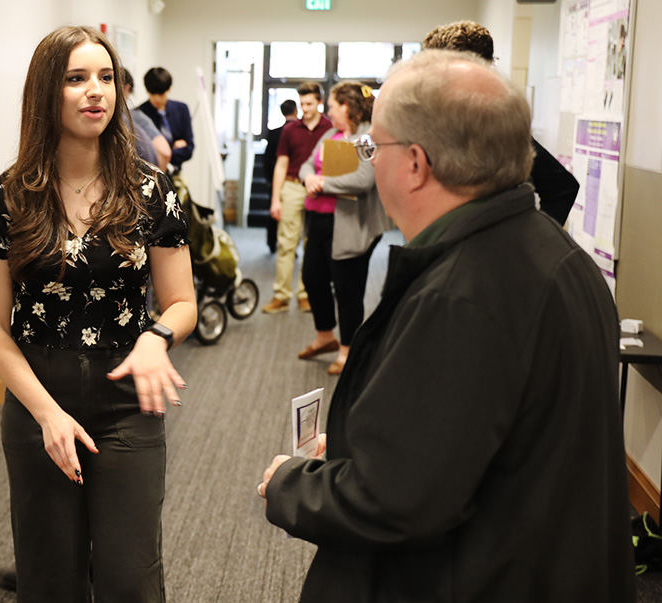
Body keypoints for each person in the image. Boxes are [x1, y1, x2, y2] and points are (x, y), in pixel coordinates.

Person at [258, 49, 634, 602]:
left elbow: (394, 502)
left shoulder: (461, 295)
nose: (368, 158)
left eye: (372, 147)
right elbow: (467, 432)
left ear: (414, 163)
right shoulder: (554, 251)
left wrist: (289, 485)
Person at [0, 25, 196, 602]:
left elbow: (182, 302)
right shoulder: (5, 199)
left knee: (130, 576)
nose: (96, 91)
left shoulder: (151, 190)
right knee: (49, 579)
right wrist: (45, 413)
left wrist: (157, 337)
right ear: (47, 92)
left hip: (127, 402)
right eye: (75, 79)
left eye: (104, 78)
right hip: (37, 400)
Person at [422, 20, 580, 226]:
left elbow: (562, 186)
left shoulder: (494, 123)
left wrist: (536, 242)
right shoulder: (503, 120)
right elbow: (562, 185)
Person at [296, 81, 391, 375]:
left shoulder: (365, 138)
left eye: (333, 106)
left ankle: (347, 350)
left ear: (346, 107)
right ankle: (325, 336)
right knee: (312, 278)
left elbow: (364, 180)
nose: (329, 111)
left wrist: (322, 182)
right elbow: (306, 165)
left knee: (348, 290)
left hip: (350, 226)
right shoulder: (330, 134)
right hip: (319, 221)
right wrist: (310, 177)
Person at [264, 82, 332, 314]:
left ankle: (306, 294)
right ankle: (281, 295)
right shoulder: (290, 130)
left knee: (311, 244)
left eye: (310, 103)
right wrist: (276, 199)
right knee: (286, 244)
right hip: (292, 187)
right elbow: (281, 164)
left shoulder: (330, 129)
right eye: (302, 103)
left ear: (320, 103)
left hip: (319, 190)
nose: (305, 108)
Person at [137, 67, 194, 175]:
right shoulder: (140, 114)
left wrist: (160, 152)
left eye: (161, 94)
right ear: (147, 90)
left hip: (175, 174)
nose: (157, 99)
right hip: (149, 175)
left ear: (169, 89)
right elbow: (142, 153)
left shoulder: (182, 109)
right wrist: (172, 150)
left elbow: (189, 150)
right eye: (153, 94)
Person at [259, 99, 298, 253]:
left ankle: (271, 242)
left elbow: (267, 158)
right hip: (293, 178)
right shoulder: (297, 131)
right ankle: (291, 246)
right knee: (292, 215)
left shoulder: (274, 132)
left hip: (275, 179)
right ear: (295, 111)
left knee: (274, 210)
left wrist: (269, 179)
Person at [123, 68, 171, 173]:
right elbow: (165, 152)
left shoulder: (133, 116)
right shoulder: (133, 116)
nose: (157, 99)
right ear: (127, 88)